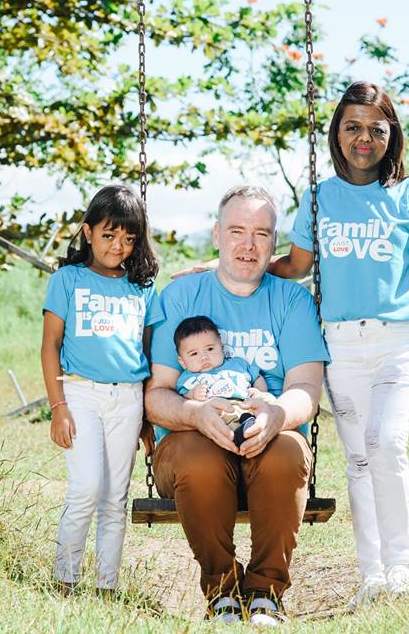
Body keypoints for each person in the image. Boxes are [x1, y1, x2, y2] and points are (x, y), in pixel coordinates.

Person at [269, 81, 409, 609]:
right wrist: (226, 268)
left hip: (402, 340)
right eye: (353, 127)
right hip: (343, 345)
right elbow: (297, 268)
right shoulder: (321, 197)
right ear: (338, 133)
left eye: (376, 128)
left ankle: (401, 567)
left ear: (391, 133)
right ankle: (371, 574)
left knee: (387, 442)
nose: (364, 138)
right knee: (357, 458)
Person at [145, 185, 330, 625]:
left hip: (267, 440)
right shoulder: (180, 297)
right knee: (198, 458)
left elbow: (306, 385)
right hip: (191, 444)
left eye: (262, 234)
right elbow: (157, 394)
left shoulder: (293, 301)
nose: (248, 244)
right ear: (216, 235)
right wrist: (193, 414)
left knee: (286, 450)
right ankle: (223, 592)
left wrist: (278, 414)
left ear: (274, 243)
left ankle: (265, 592)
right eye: (237, 231)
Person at [40, 184, 162, 594]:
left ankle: (107, 586)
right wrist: (58, 407)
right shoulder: (68, 280)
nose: (118, 246)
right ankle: (65, 579)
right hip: (80, 394)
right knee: (86, 488)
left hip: (127, 399)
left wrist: (148, 416)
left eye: (129, 239)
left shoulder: (142, 287)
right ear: (88, 232)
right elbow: (50, 345)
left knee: (115, 498)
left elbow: (148, 351)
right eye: (108, 235)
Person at [173, 314, 276, 444]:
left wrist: (259, 392)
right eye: (194, 353)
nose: (204, 357)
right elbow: (183, 401)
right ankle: (244, 432)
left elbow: (257, 376)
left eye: (210, 349)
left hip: (246, 403)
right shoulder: (187, 379)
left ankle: (260, 423)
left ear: (221, 347)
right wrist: (192, 394)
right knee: (226, 422)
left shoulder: (237, 364)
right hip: (220, 412)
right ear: (182, 362)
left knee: (270, 400)